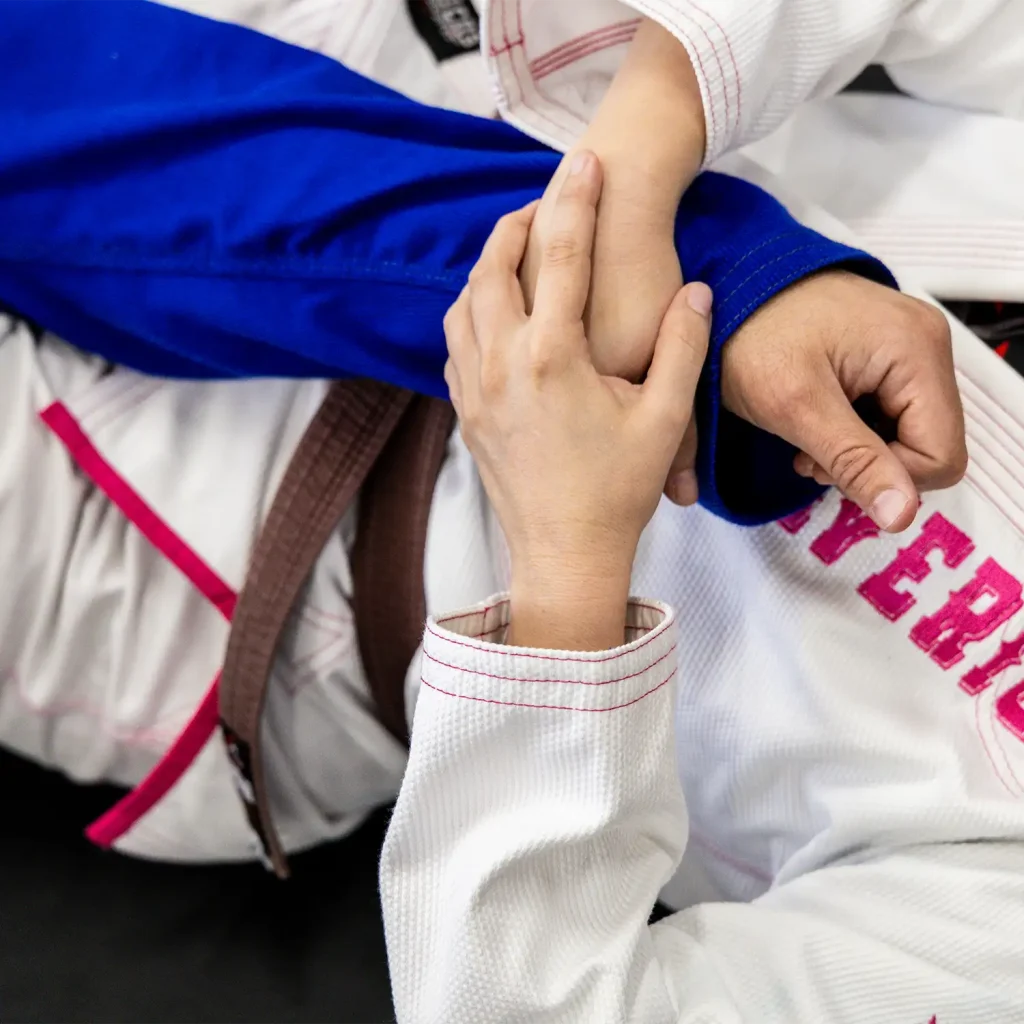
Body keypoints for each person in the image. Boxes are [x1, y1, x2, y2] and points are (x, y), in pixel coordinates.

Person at [380, 151, 1024, 1024]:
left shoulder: (993, 936)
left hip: (276, 577)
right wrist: (695, 195)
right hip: (492, 183)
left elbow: (522, 1006)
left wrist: (568, 558)